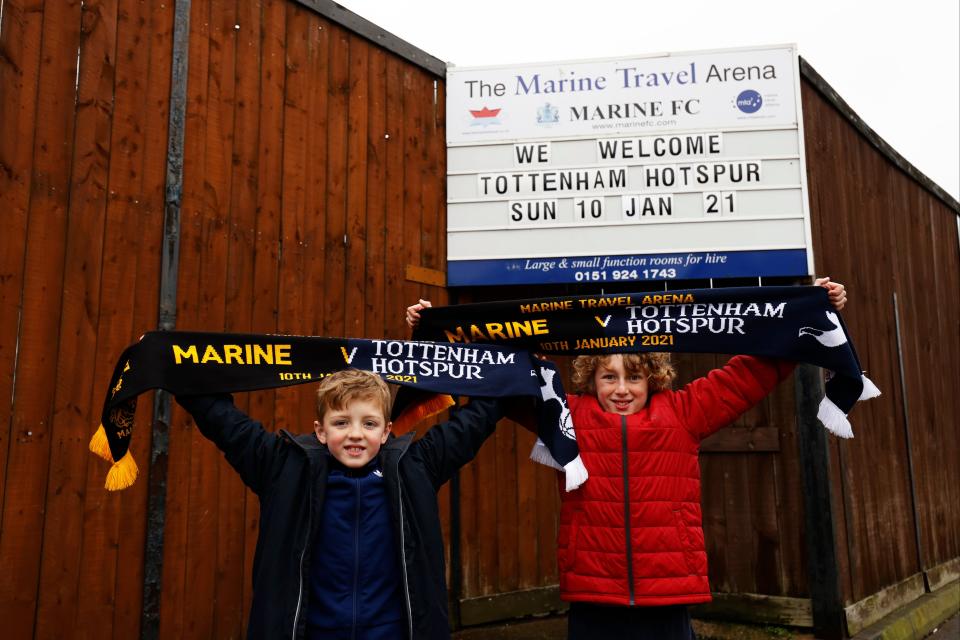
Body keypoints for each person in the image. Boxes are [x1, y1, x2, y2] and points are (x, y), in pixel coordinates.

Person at [406, 278, 848, 640]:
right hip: (594, 593)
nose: (621, 389)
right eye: (609, 376)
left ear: (652, 376)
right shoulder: (566, 416)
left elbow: (749, 374)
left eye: (633, 376)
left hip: (668, 593)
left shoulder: (683, 412)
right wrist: (436, 325)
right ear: (589, 378)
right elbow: (500, 371)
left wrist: (812, 308)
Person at [176, 368, 508, 639]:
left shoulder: (415, 468)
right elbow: (226, 424)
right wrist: (169, 361)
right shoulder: (283, 468)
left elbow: (473, 423)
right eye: (341, 422)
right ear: (320, 431)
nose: (355, 434)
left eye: (369, 423)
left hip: (393, 633)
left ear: (386, 431)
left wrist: (514, 372)